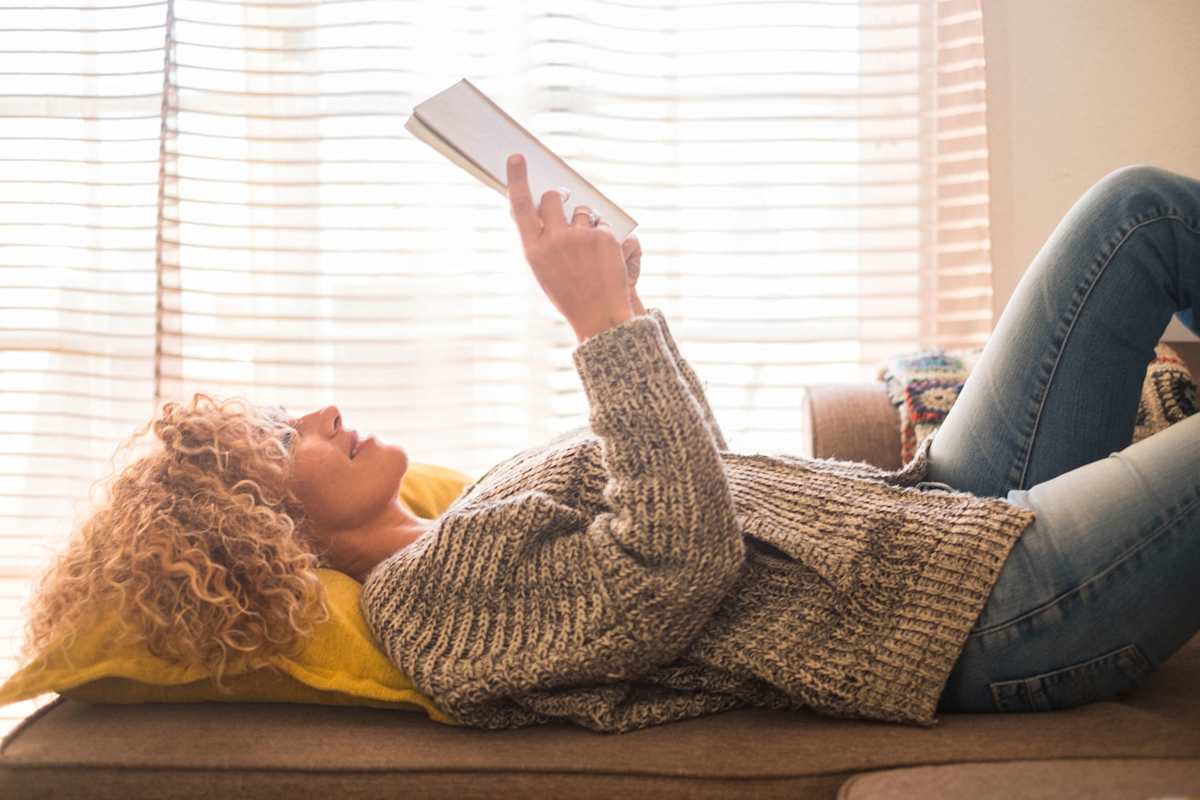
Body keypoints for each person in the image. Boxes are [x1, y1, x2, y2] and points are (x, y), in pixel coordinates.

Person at [17, 157, 1199, 732]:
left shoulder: (459, 512)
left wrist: (628, 307)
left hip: (934, 507)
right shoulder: (424, 614)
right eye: (287, 436)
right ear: (267, 526)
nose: (323, 412)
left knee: (1134, 213)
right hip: (983, 615)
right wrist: (599, 326)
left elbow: (702, 479)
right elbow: (678, 560)